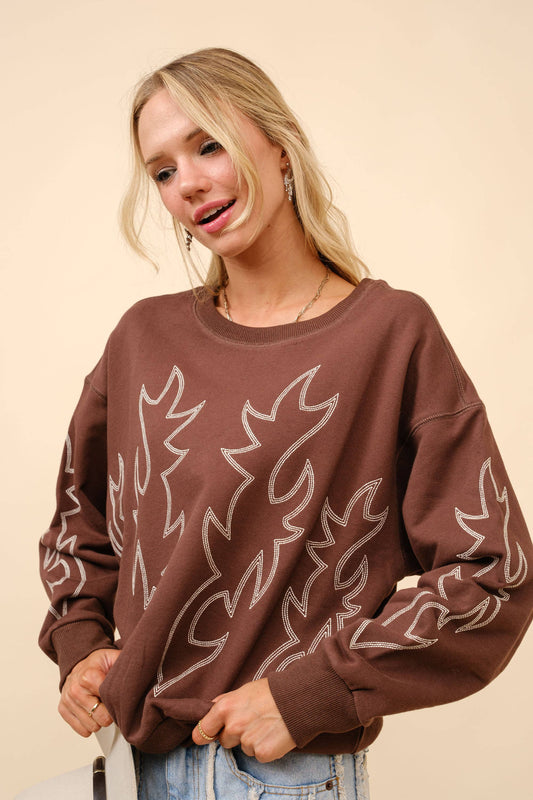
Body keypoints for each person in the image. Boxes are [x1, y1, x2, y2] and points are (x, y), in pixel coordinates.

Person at [39, 48, 533, 800]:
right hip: (137, 770)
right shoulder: (143, 340)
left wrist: (309, 695)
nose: (188, 183)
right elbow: (79, 523)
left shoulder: (389, 336)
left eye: (208, 145)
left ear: (278, 143)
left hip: (281, 780)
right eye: (162, 171)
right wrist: (80, 647)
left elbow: (492, 574)